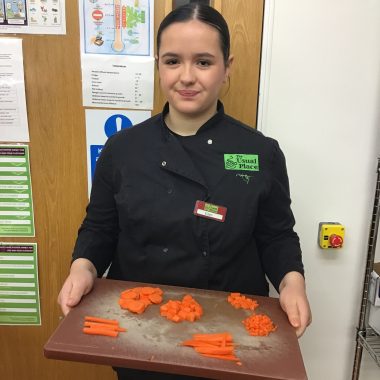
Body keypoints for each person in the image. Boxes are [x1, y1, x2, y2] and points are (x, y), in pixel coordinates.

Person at [58, 3, 311, 379]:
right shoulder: (123, 149)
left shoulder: (259, 152)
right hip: (139, 327)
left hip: (228, 330)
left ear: (227, 67)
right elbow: (100, 228)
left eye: (204, 62)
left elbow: (275, 235)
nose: (187, 76)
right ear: (158, 64)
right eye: (173, 61)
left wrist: (292, 281)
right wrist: (83, 266)